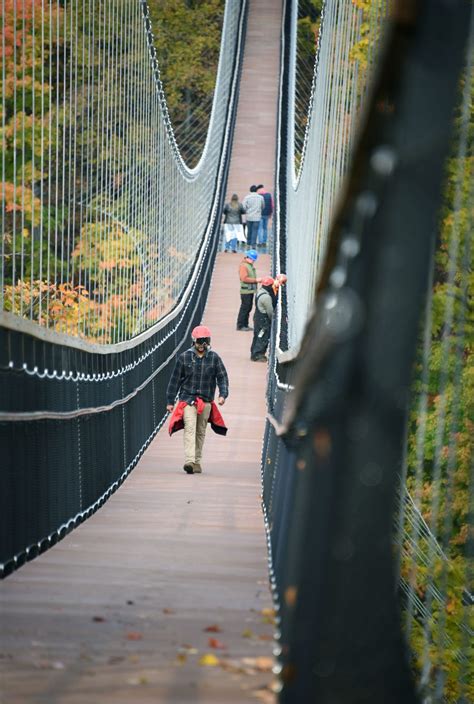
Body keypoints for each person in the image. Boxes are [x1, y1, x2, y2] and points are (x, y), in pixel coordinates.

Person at [166, 326, 229, 474]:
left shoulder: (214, 358)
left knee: (200, 431)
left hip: (206, 401)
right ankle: (189, 460)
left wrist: (222, 394)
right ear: (194, 341)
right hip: (188, 399)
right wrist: (170, 401)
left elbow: (222, 378)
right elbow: (174, 381)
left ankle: (197, 462)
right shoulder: (184, 358)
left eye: (205, 341)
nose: (202, 345)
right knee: (190, 428)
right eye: (200, 341)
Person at [250, 274, 287, 362]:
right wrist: (272, 319)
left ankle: (254, 352)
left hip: (258, 317)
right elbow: (270, 311)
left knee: (257, 335)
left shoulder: (260, 292)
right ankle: (258, 355)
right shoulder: (266, 297)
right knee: (263, 336)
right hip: (263, 320)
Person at [236, 249, 262, 331]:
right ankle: (240, 325)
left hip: (250, 291)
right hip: (246, 291)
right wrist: (256, 280)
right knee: (245, 307)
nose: (253, 261)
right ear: (249, 258)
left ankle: (245, 324)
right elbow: (244, 278)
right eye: (253, 260)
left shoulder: (249, 265)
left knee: (248, 307)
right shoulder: (244, 266)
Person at [256, 184, 273, 250]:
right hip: (267, 214)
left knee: (259, 228)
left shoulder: (258, 196)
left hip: (260, 214)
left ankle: (260, 242)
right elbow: (272, 205)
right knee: (265, 228)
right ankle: (264, 242)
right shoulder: (268, 195)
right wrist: (270, 213)